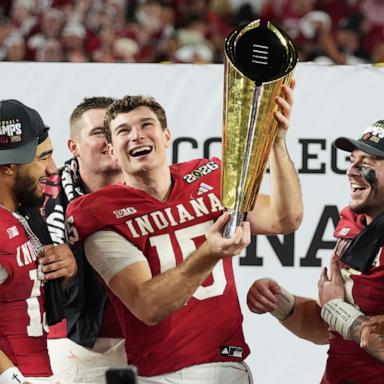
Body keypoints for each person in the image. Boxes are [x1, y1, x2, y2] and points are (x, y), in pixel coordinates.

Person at [66, 84, 302, 383]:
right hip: (157, 374)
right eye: (123, 130)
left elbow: (285, 218)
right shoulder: (98, 211)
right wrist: (210, 252)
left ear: (166, 136)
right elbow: (148, 306)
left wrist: (277, 143)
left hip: (226, 363)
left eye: (146, 124)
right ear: (112, 150)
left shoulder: (209, 175)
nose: (137, 135)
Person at [247, 119, 384, 383]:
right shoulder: (352, 227)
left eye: (367, 163)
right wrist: (281, 303)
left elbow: (339, 315)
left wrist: (337, 309)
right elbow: (327, 328)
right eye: (353, 160)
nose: (352, 171)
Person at [43, 97, 126, 384]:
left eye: (117, 129)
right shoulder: (40, 201)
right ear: (73, 147)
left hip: (143, 347)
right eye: (99, 132)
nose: (111, 139)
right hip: (65, 348)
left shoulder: (154, 190)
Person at [0, 99, 77, 383]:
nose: (53, 168)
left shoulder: (26, 216)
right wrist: (13, 379)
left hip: (37, 369)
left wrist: (65, 269)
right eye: (43, 157)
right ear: (9, 166)